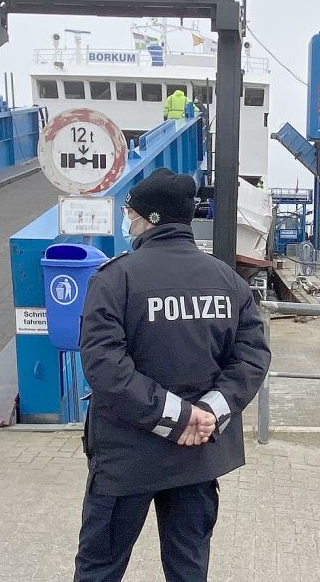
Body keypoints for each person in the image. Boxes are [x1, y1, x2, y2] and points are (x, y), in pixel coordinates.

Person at [75, 167, 271, 582]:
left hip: (127, 459)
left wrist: (175, 416)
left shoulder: (116, 279)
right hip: (197, 456)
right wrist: (208, 413)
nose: (128, 222)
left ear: (150, 219)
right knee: (188, 570)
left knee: (100, 569)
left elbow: (104, 366)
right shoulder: (229, 282)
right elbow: (252, 356)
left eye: (131, 214)